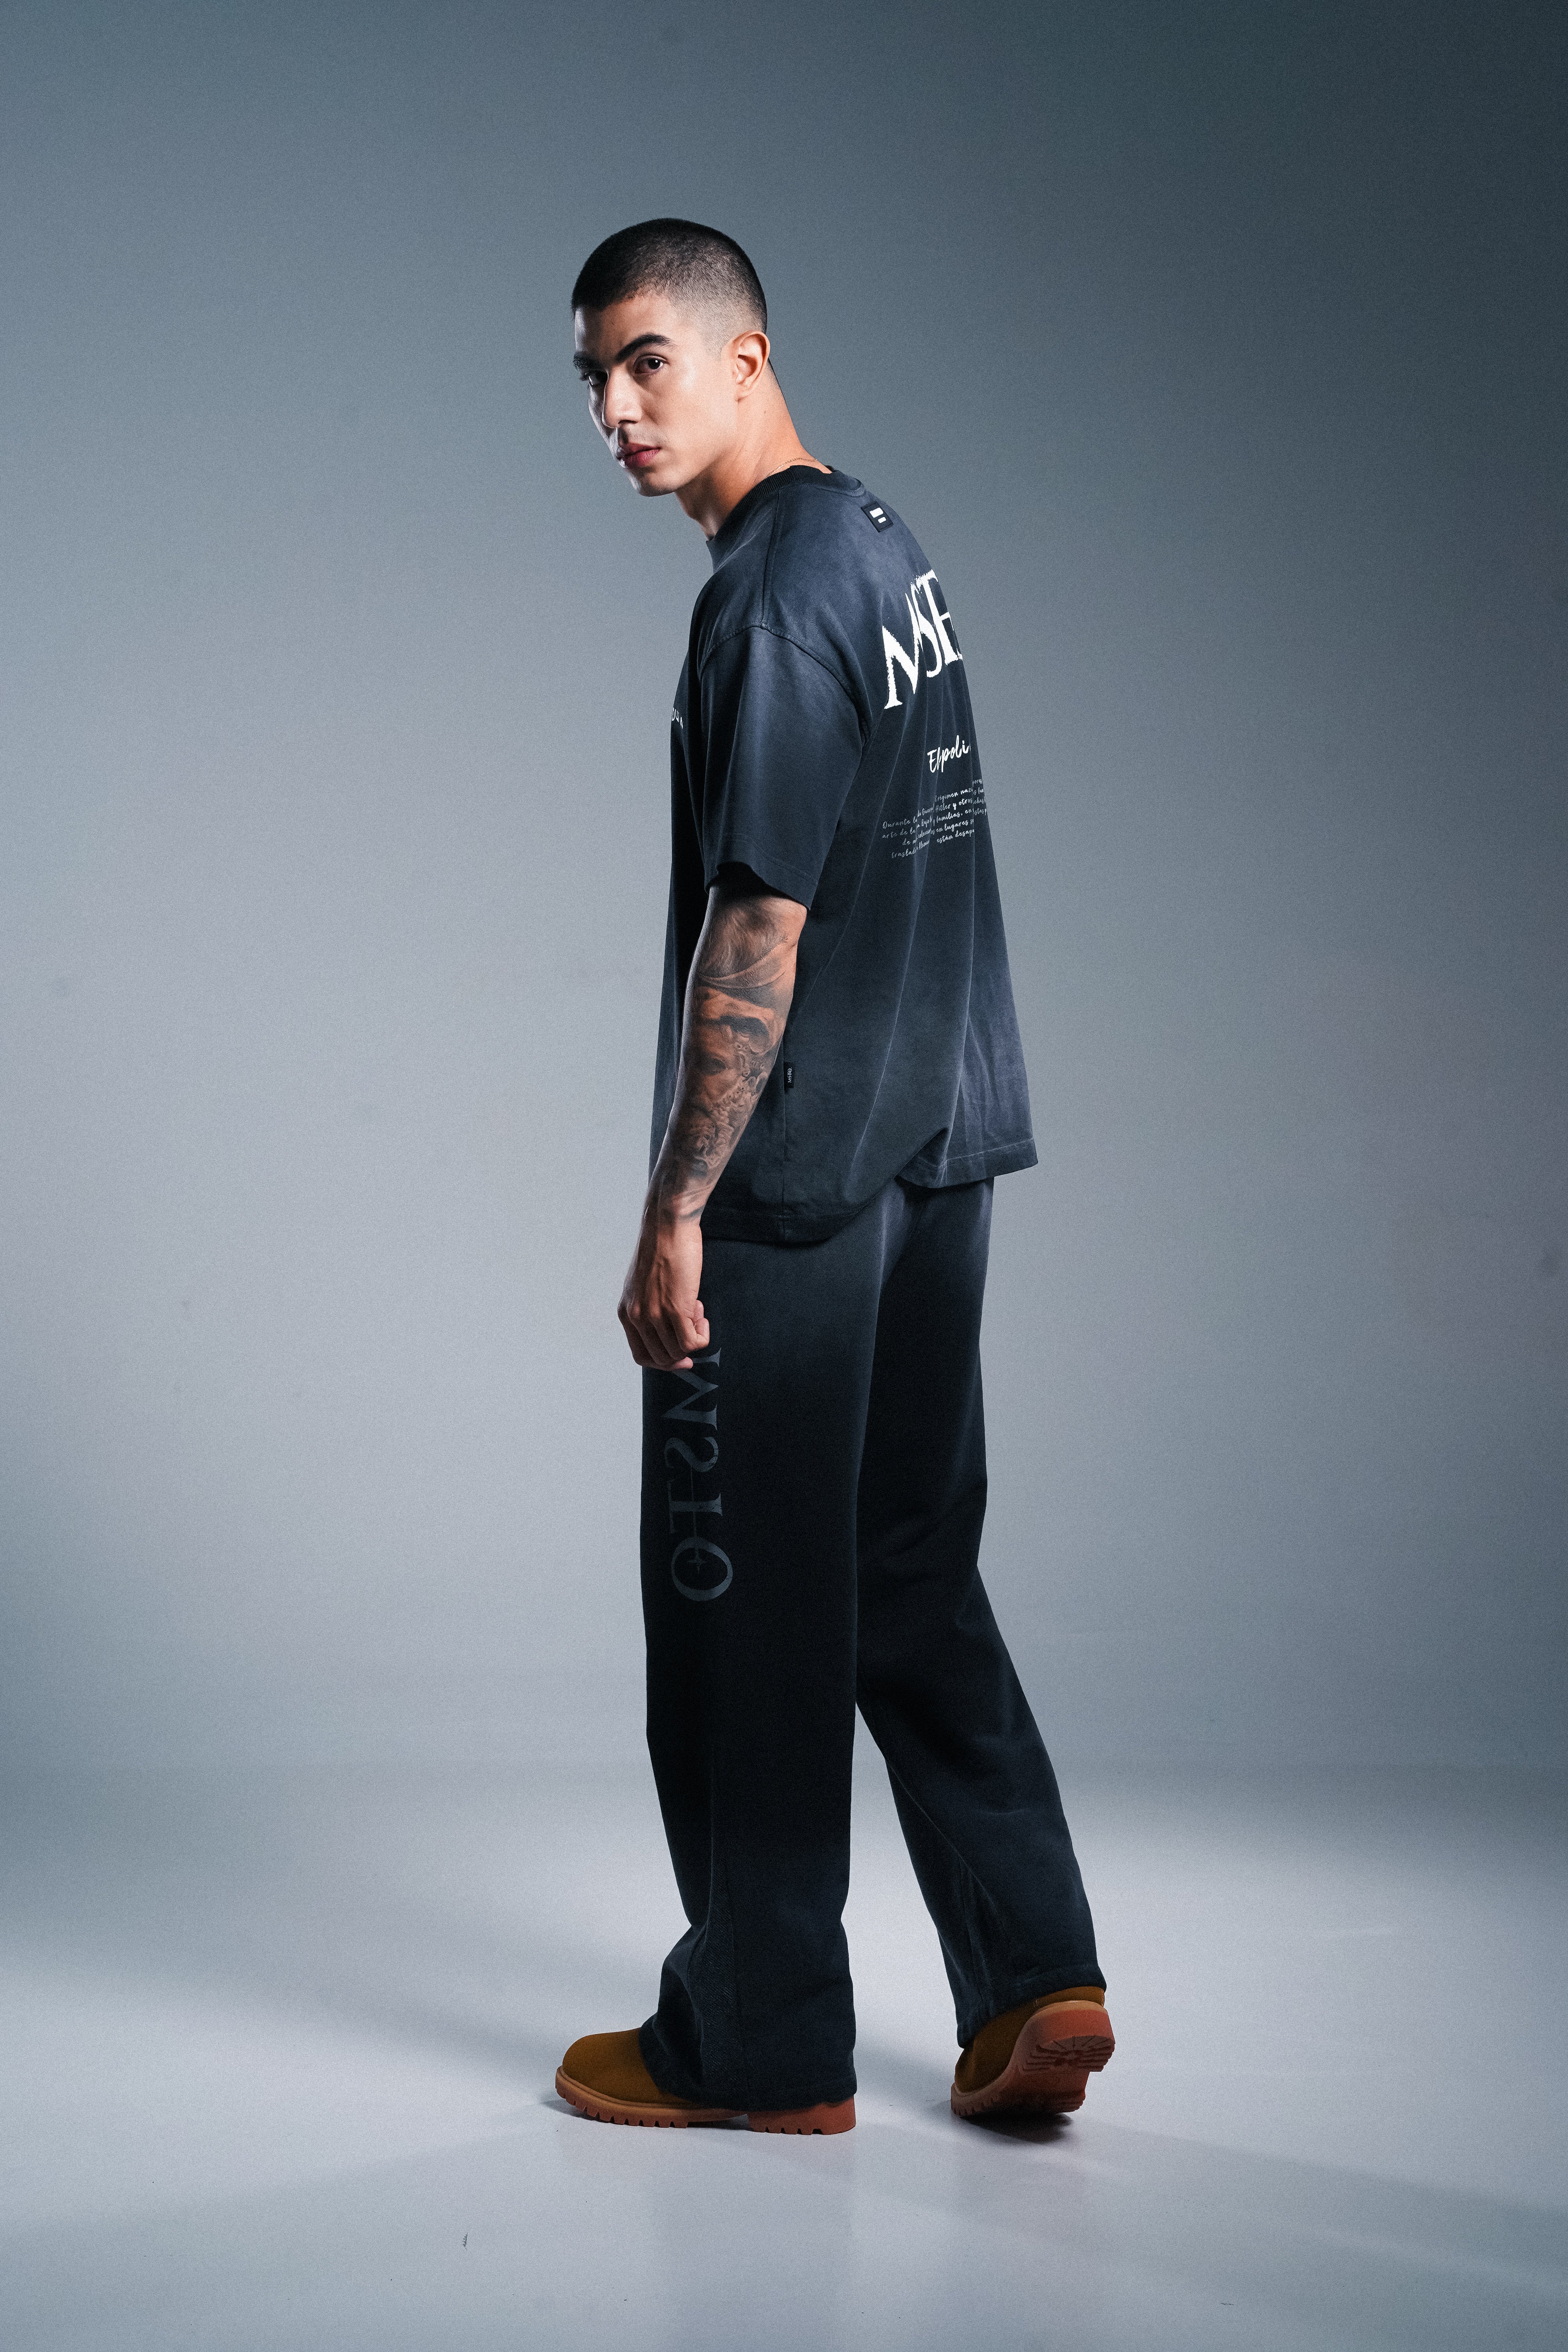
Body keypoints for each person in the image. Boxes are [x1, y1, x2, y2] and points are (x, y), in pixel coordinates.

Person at [555, 220, 1112, 2136]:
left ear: (746, 353)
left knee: (738, 1620)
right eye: (593, 379)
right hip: (942, 1136)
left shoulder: (770, 603)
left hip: (797, 1180)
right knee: (902, 1573)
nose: (616, 409)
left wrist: (673, 1211)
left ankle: (763, 2042)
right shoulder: (882, 546)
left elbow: (762, 925)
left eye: (645, 360)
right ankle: (1036, 1977)